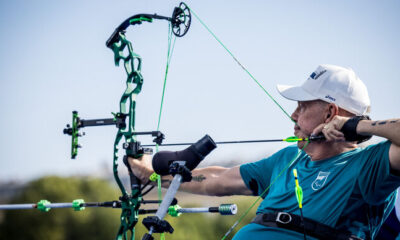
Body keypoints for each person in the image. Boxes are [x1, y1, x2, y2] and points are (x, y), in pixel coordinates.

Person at [129, 64, 400, 240]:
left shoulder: (368, 164)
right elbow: (219, 180)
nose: (294, 115)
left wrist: (357, 125)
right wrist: (152, 176)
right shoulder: (290, 158)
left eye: (303, 106)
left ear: (331, 113)